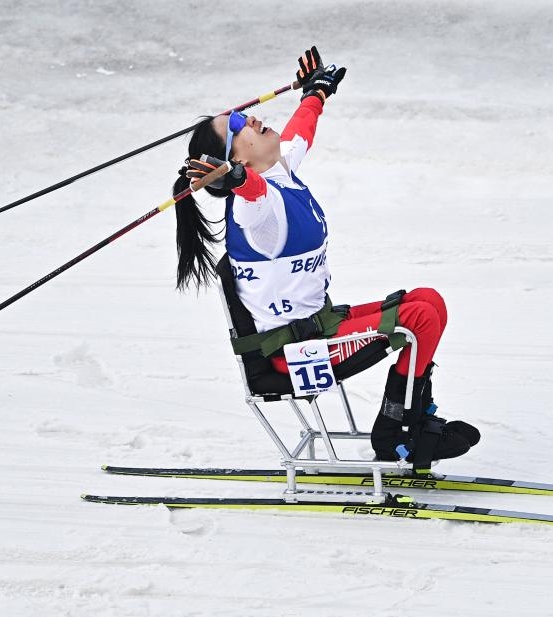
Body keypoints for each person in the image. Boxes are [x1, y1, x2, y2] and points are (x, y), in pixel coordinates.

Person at [171, 46, 480, 465]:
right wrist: (239, 181)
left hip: (316, 328)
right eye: (240, 124)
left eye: (244, 113)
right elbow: (252, 195)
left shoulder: (278, 169)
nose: (254, 118)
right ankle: (397, 433)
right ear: (237, 159)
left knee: (429, 301)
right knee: (418, 319)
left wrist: (316, 92)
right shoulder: (254, 210)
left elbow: (300, 132)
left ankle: (415, 413)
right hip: (293, 354)